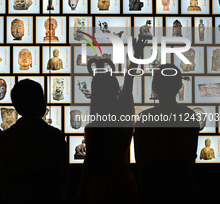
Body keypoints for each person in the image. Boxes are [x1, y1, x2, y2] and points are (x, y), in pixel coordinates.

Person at [76, 38, 146, 204]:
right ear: (116, 89)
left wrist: (80, 190)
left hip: (100, 182)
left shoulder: (97, 122)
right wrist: (137, 53)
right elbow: (129, 80)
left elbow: (90, 162)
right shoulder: (124, 107)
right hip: (125, 178)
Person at [134, 64, 200, 204]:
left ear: (154, 87)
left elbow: (141, 159)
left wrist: (145, 186)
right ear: (179, 86)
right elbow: (191, 155)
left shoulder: (146, 117)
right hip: (183, 182)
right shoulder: (190, 115)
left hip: (155, 181)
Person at [0, 79, 69, 204]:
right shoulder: (56, 136)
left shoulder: (5, 138)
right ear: (42, 103)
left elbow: (2, 179)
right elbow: (64, 177)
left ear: (16, 106)